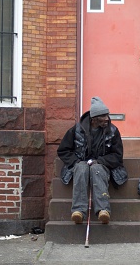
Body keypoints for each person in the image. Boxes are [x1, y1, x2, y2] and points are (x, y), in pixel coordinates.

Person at [57, 96, 127, 225]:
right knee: (81, 168)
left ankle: (103, 210)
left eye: (107, 115)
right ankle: (78, 211)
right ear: (94, 118)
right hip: (80, 163)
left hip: (102, 164)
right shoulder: (76, 129)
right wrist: (76, 162)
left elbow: (117, 155)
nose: (107, 118)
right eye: (103, 115)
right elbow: (63, 150)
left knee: (97, 169)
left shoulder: (113, 131)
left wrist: (100, 161)